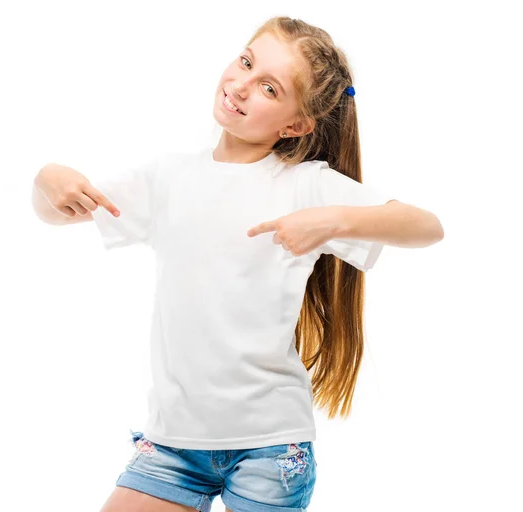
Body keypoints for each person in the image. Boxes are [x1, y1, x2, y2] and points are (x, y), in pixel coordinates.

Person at [32, 16, 444, 512]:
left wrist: (330, 220)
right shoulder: (169, 178)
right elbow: (58, 214)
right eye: (246, 62)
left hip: (270, 446)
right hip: (173, 444)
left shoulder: (303, 184)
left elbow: (426, 227)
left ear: (295, 124)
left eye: (269, 87)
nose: (242, 85)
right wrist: (48, 178)